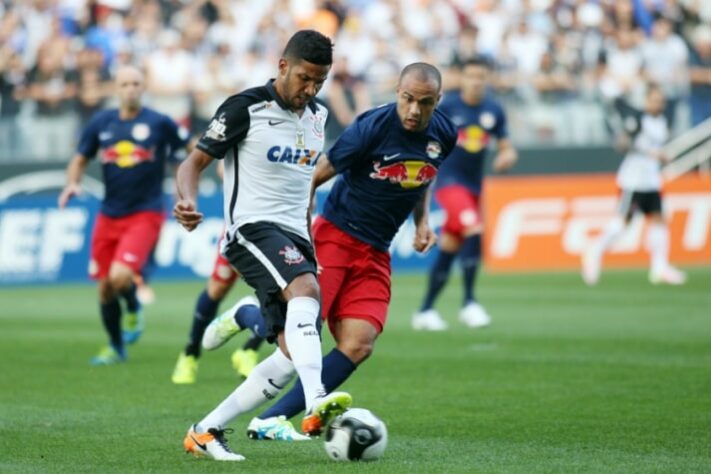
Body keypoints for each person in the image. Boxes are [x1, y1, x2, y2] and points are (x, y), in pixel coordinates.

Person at [204, 62, 458, 442]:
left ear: (437, 101)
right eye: (407, 99)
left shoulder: (444, 134)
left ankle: (270, 419)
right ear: (397, 93)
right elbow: (317, 174)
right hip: (335, 237)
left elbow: (422, 175)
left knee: (359, 343)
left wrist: (422, 223)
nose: (414, 111)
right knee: (296, 342)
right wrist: (302, 232)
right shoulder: (371, 127)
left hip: (376, 250)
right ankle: (248, 315)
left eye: (425, 103)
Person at [173, 30, 351, 462]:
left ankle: (205, 431)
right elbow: (193, 163)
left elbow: (299, 186)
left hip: (295, 236)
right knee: (306, 293)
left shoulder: (318, 117)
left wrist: (307, 226)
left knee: (291, 353)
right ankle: (316, 401)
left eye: (320, 82)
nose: (310, 89)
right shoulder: (245, 108)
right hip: (250, 229)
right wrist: (187, 199)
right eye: (305, 78)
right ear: (283, 66)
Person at [58, 65, 188, 365]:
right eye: (125, 83)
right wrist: (72, 184)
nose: (130, 88)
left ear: (143, 88)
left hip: (146, 212)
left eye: (135, 83)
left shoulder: (159, 122)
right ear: (116, 88)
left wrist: (198, 174)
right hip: (109, 213)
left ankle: (132, 306)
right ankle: (116, 347)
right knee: (105, 288)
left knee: (120, 276)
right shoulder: (101, 123)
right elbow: (79, 159)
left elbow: (191, 148)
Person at [412, 56, 517, 331]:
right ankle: (469, 303)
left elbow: (506, 145)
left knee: (450, 246)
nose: (476, 81)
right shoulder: (447, 107)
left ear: (487, 79)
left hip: (473, 187)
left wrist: (507, 155)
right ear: (461, 78)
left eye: (481, 76)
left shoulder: (493, 110)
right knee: (473, 228)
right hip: (448, 182)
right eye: (471, 76)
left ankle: (425, 311)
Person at [582, 84, 686, 286]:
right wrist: (649, 153)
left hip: (652, 180)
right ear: (646, 100)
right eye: (655, 100)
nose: (659, 104)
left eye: (661, 101)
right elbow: (622, 145)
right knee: (622, 225)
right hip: (633, 181)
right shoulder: (637, 119)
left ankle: (659, 267)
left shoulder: (663, 121)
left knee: (659, 220)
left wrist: (659, 157)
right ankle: (595, 249)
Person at [170, 237, 265, 385]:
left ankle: (249, 350)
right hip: (243, 224)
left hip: (285, 224)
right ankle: (191, 352)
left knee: (276, 289)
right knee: (217, 289)